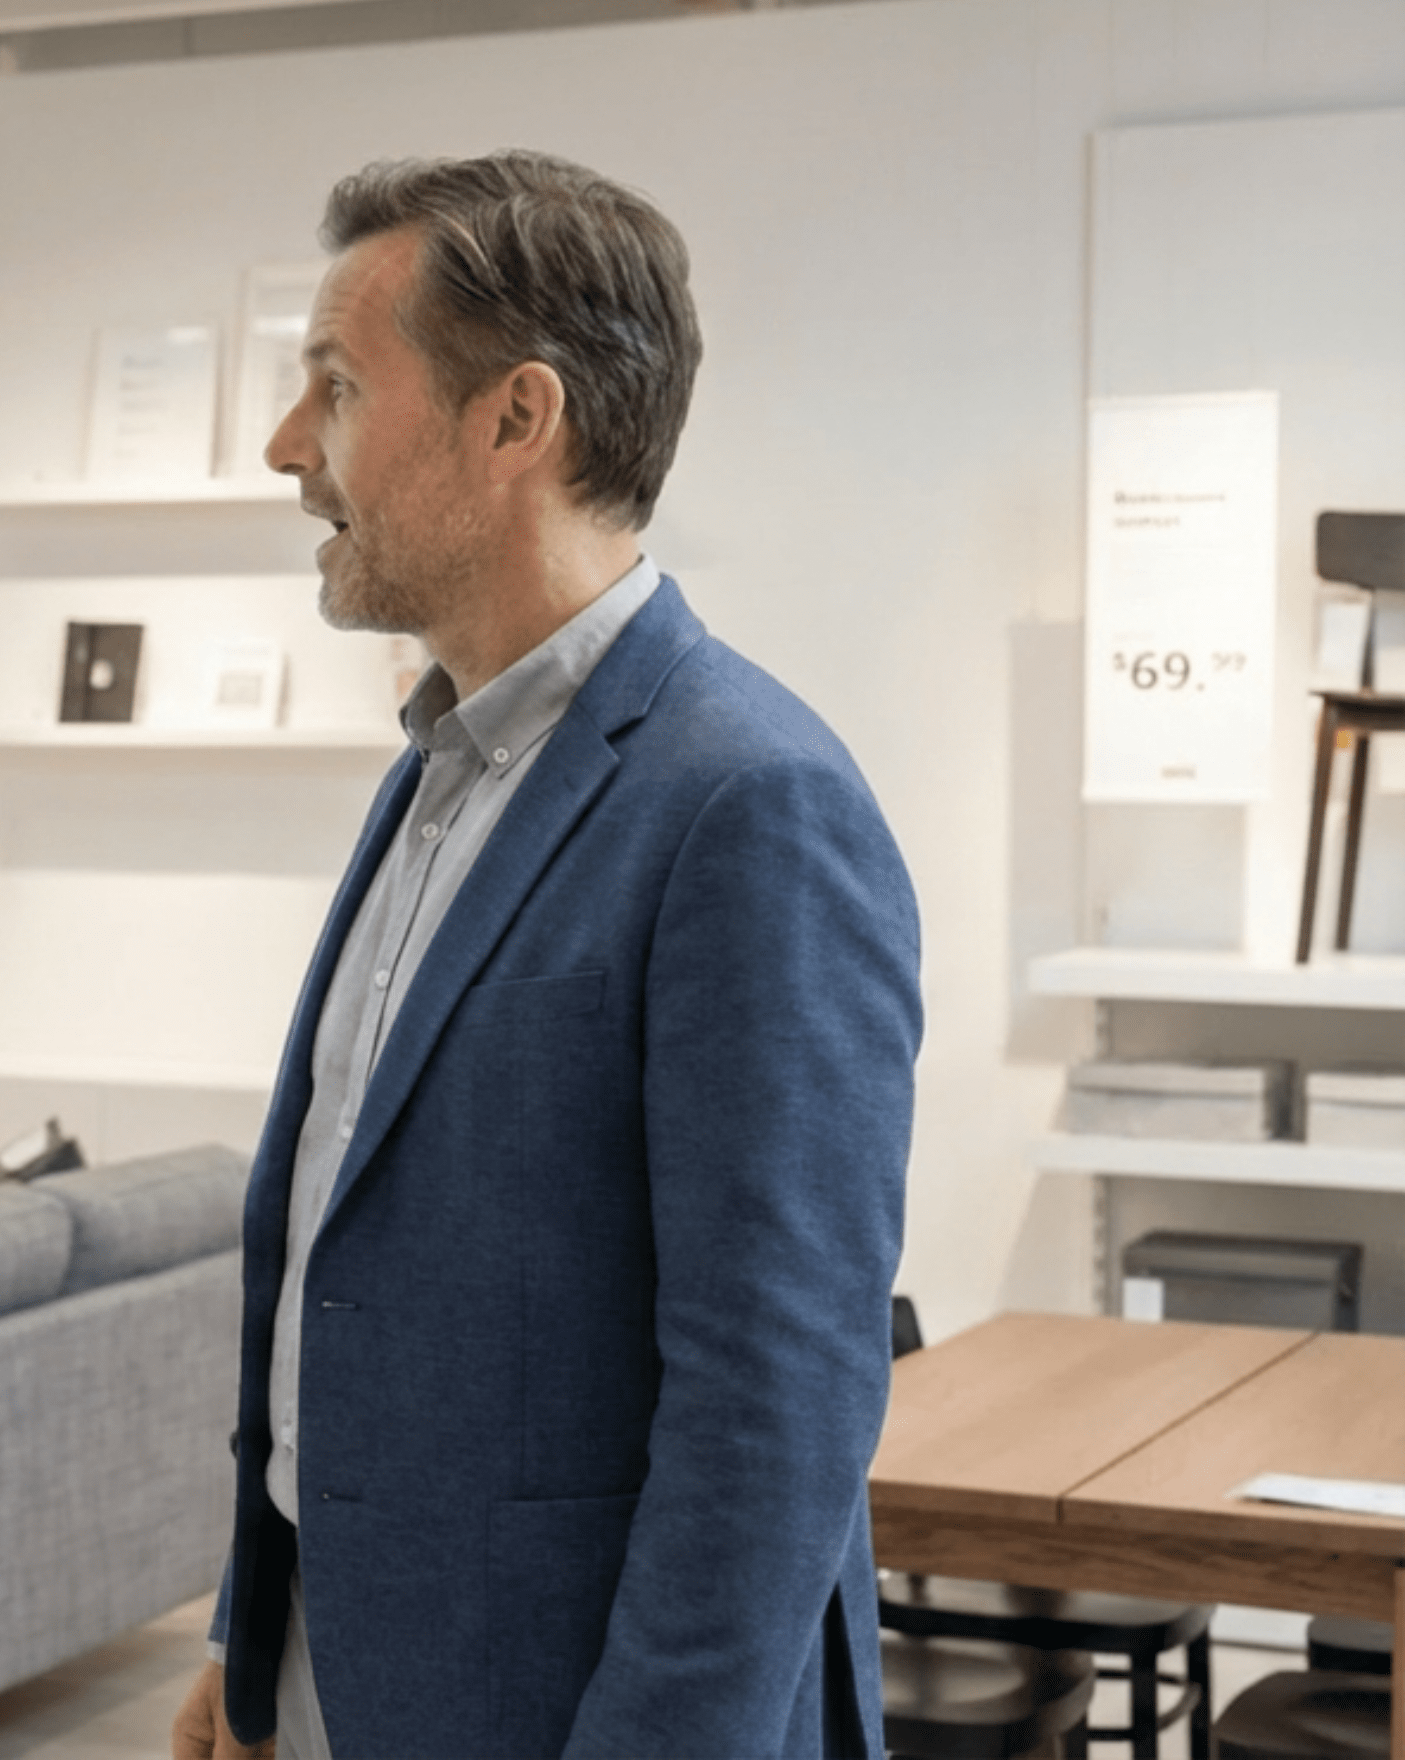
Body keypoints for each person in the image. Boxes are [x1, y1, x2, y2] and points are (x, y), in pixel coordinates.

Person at [167, 152, 920, 1760]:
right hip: (346, 1668)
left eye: (336, 387)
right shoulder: (438, 770)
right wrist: (256, 1634)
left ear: (517, 418)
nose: (289, 447)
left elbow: (775, 1406)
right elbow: (336, 1265)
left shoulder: (751, 802)